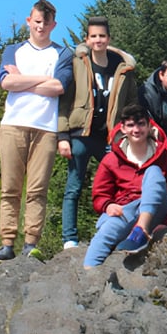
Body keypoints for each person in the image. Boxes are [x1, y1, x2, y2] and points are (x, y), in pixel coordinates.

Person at [0, 0, 73, 261]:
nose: (41, 27)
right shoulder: (12, 50)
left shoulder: (62, 54)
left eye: (46, 23)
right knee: (10, 188)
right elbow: (6, 83)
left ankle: (31, 243)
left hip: (46, 129)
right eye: (36, 21)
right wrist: (43, 79)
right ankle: (7, 243)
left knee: (38, 189)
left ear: (54, 25)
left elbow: (59, 87)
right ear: (29, 21)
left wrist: (23, 80)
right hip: (13, 125)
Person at [57, 16, 138, 249]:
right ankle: (69, 239)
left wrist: (129, 132)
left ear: (109, 38)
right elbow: (64, 102)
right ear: (87, 39)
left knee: (120, 185)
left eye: (102, 36)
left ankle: (114, 233)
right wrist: (62, 137)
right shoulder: (78, 64)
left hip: (110, 137)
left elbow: (132, 102)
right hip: (81, 134)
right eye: (93, 36)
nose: (98, 40)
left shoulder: (123, 68)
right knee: (74, 186)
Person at [83, 104, 167, 267]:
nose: (136, 130)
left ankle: (141, 231)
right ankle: (88, 280)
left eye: (141, 124)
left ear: (149, 126)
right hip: (126, 211)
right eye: (130, 125)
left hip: (157, 211)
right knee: (106, 232)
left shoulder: (166, 157)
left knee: (153, 172)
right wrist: (108, 205)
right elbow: (100, 194)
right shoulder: (111, 160)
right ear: (122, 128)